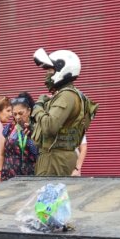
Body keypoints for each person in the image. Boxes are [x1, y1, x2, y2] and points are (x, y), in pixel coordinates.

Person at [30, 48, 98, 176]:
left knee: (50, 195)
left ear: (63, 70)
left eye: (50, 70)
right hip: (59, 158)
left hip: (55, 161)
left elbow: (49, 126)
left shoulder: (66, 95)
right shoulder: (73, 95)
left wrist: (38, 107)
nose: (47, 74)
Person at [0, 92, 40, 180]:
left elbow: (40, 153)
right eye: (15, 114)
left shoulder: (37, 129)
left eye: (20, 113)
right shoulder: (9, 129)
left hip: (29, 178)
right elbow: (1, 154)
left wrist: (31, 136)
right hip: (8, 177)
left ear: (29, 111)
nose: (17, 117)